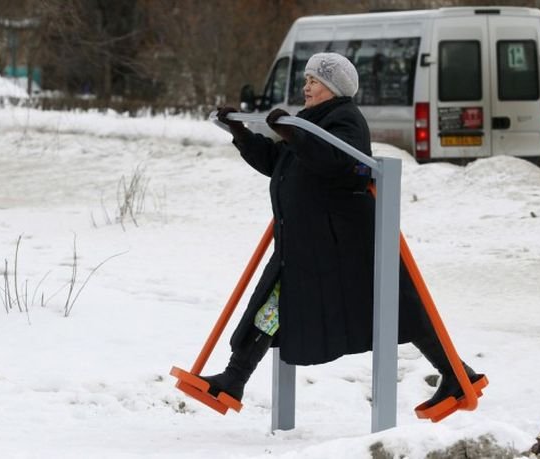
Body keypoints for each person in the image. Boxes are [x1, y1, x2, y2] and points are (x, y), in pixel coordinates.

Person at [201, 52, 483, 410]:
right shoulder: (309, 119)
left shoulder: (345, 119)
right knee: (270, 306)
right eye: (306, 80)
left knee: (402, 308)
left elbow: (339, 163)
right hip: (307, 242)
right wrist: (240, 133)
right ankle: (233, 380)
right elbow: (277, 163)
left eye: (313, 81)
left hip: (344, 243)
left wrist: (293, 132)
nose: (306, 87)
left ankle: (458, 377)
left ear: (333, 86)